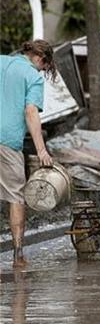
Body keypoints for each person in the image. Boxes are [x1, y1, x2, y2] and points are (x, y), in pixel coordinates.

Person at [0, 39, 55, 268]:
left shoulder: (1, 61)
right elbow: (31, 111)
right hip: (7, 141)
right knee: (16, 196)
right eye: (45, 68)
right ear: (41, 60)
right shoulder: (33, 77)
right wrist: (41, 150)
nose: (43, 71)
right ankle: (18, 255)